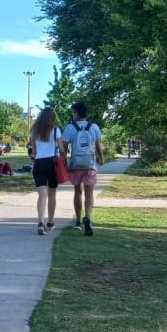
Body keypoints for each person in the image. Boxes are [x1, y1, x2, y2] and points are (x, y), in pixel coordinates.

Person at [62, 101, 105, 235]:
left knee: (77, 192)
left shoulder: (70, 127)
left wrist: (63, 161)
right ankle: (88, 217)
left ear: (76, 113)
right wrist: (101, 158)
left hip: (75, 165)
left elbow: (64, 146)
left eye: (73, 113)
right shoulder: (94, 127)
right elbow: (98, 145)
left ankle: (77, 221)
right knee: (89, 193)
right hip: (90, 165)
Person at [29, 106, 64, 235]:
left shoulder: (34, 131)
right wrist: (62, 153)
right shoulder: (56, 131)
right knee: (52, 195)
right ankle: (50, 221)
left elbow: (34, 151)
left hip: (39, 164)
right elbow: (61, 149)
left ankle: (40, 222)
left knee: (41, 195)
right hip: (51, 164)